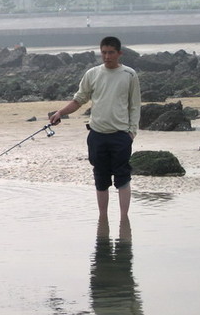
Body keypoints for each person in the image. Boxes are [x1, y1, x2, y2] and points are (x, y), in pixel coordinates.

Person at [49, 36, 141, 217]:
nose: (107, 56)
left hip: (121, 135)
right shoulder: (92, 74)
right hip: (97, 135)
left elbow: (135, 105)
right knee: (100, 178)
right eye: (104, 53)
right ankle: (103, 218)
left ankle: (124, 218)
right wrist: (60, 113)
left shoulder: (129, 75)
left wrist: (132, 132)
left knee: (122, 177)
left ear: (119, 53)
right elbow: (79, 100)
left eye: (111, 53)